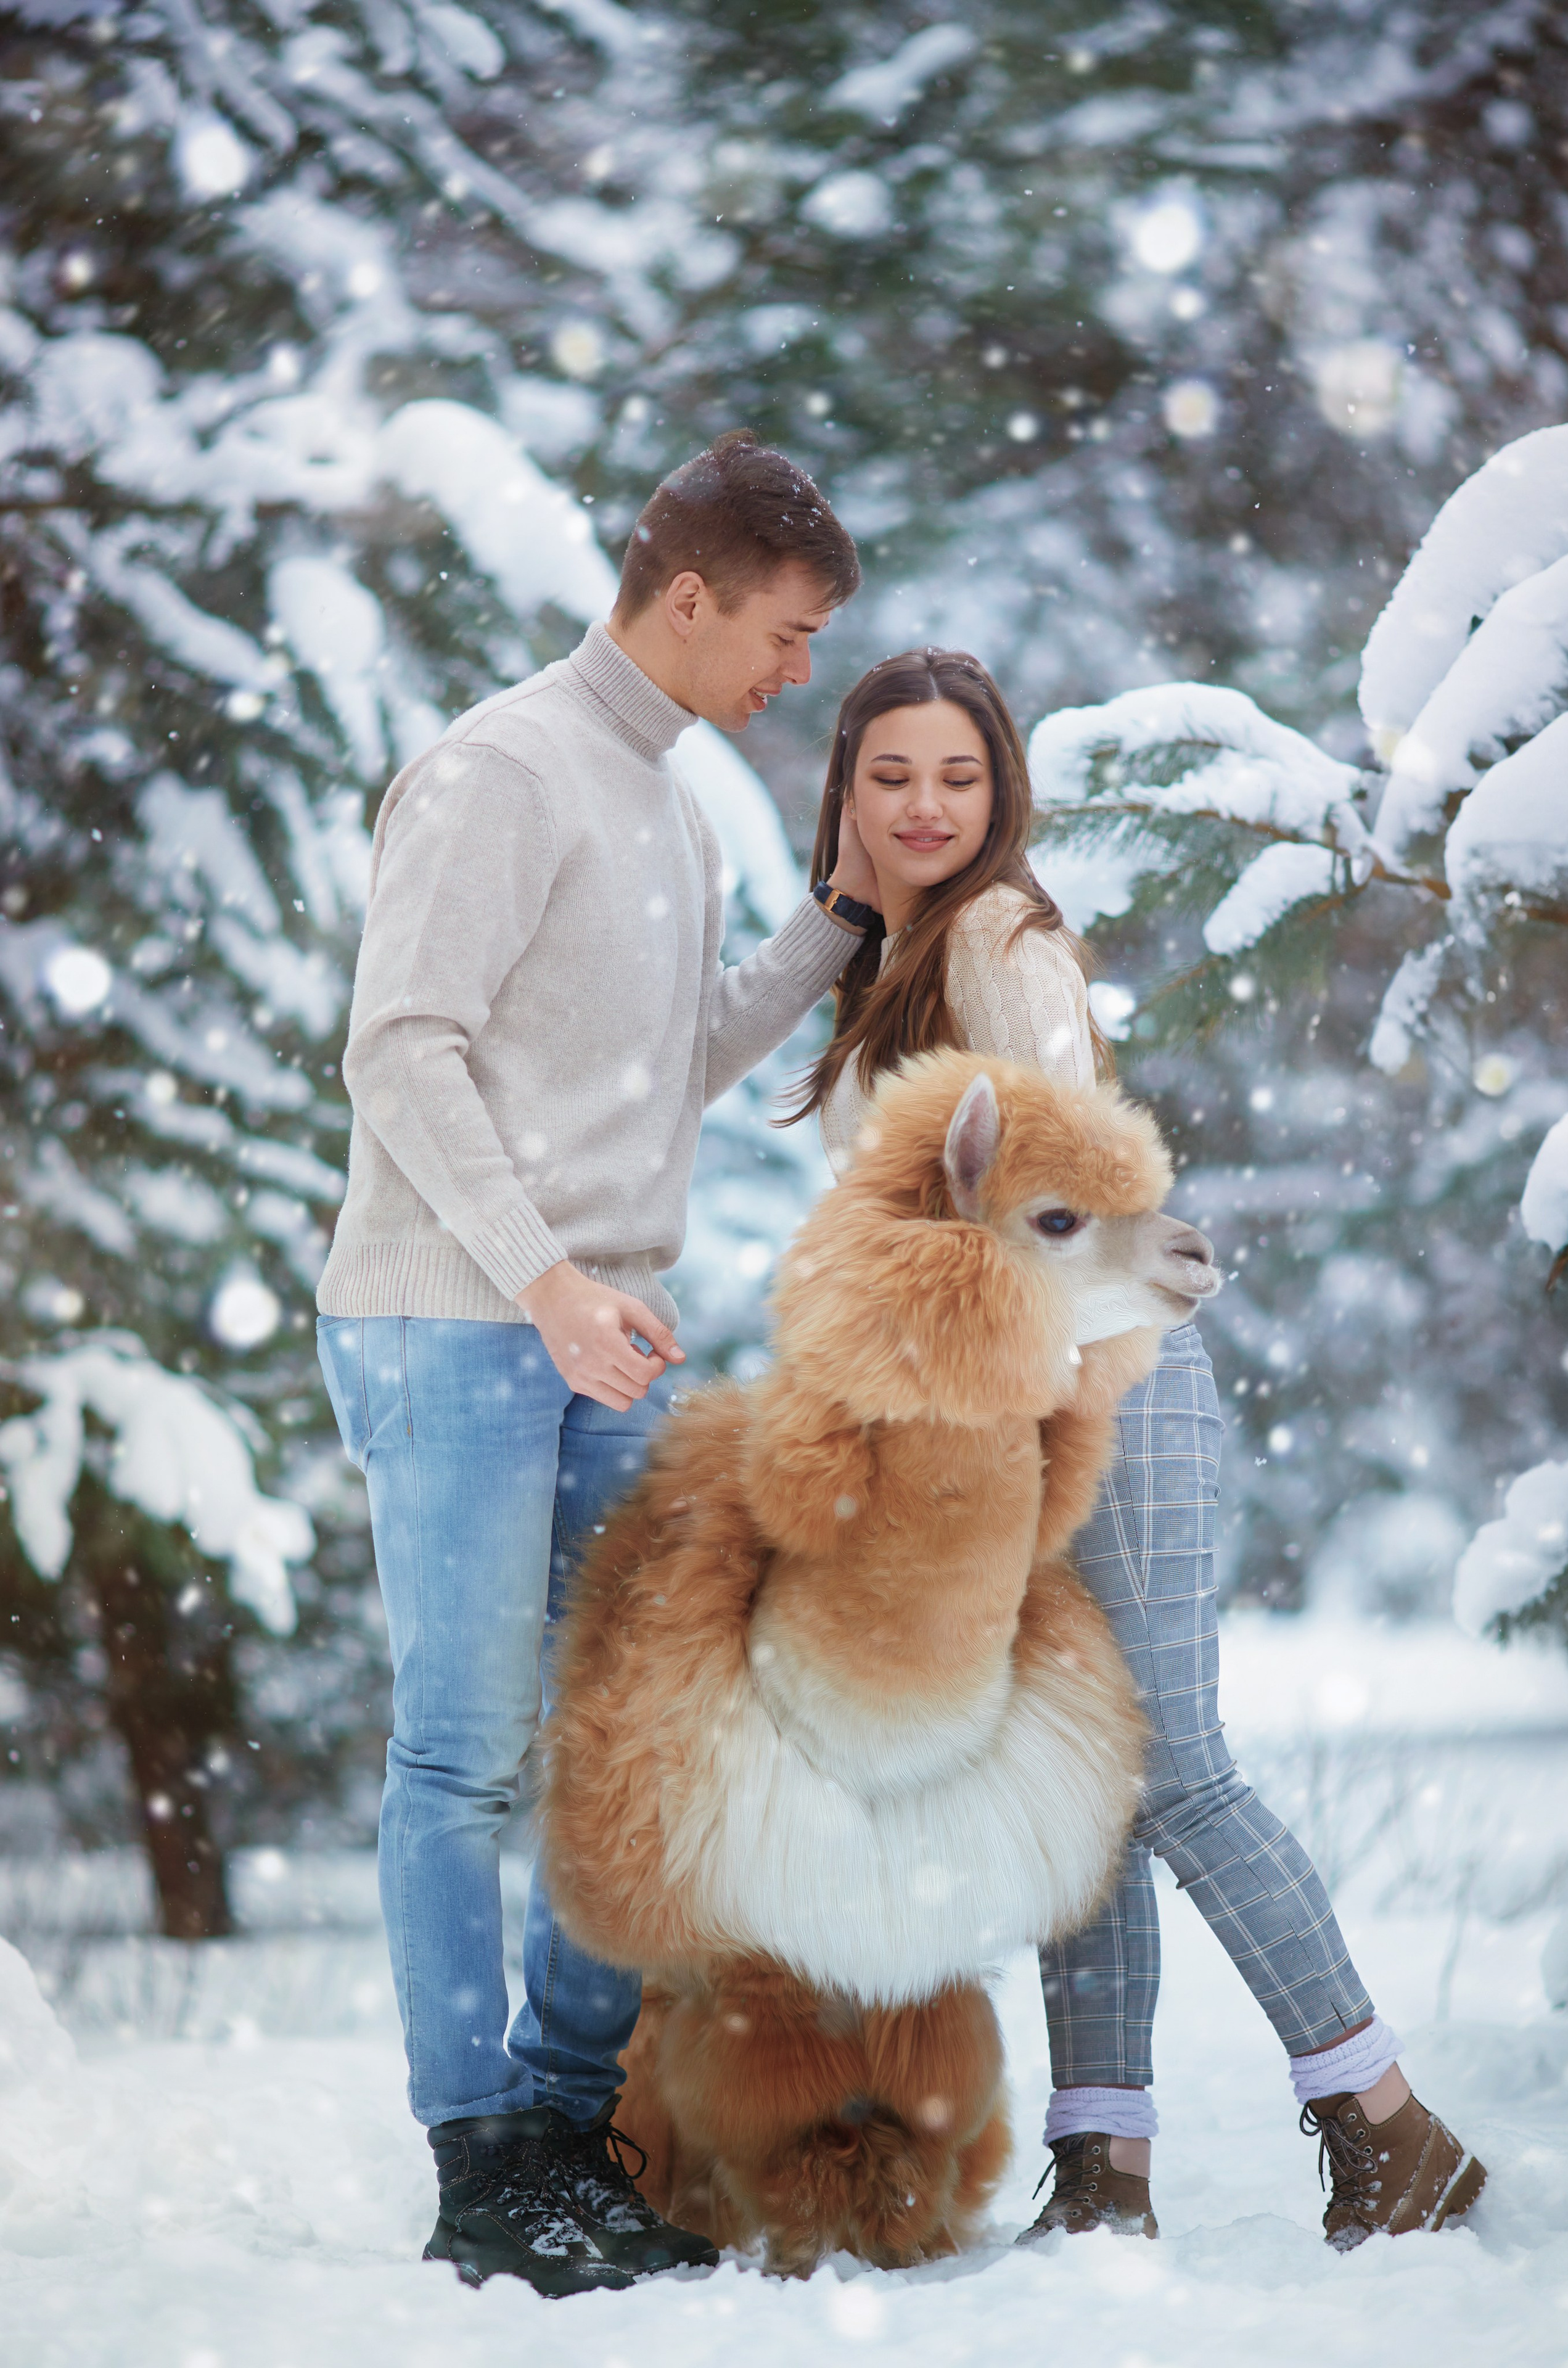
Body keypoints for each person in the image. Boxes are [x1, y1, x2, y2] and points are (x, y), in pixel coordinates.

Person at [800, 646, 1487, 2253]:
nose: (923, 804)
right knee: (1082, 1791)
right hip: (1000, 1427)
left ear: (1001, 795)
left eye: (956, 777)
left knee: (1171, 1768)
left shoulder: (1000, 936)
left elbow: (1065, 1181)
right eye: (890, 775)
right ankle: (1103, 2176)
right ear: (847, 791)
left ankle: (1390, 2126)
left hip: (1104, 1392)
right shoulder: (890, 959)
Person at [315, 432, 880, 2296]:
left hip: (594, 1328)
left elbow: (666, 1066)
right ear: (691, 596)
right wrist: (546, 1278)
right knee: (468, 1753)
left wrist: (843, 927)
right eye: (785, 638)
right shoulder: (498, 772)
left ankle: (568, 2127)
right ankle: (480, 2164)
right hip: (458, 1317)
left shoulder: (672, 805)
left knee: (636, 1745)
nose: (795, 675)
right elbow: (401, 1050)